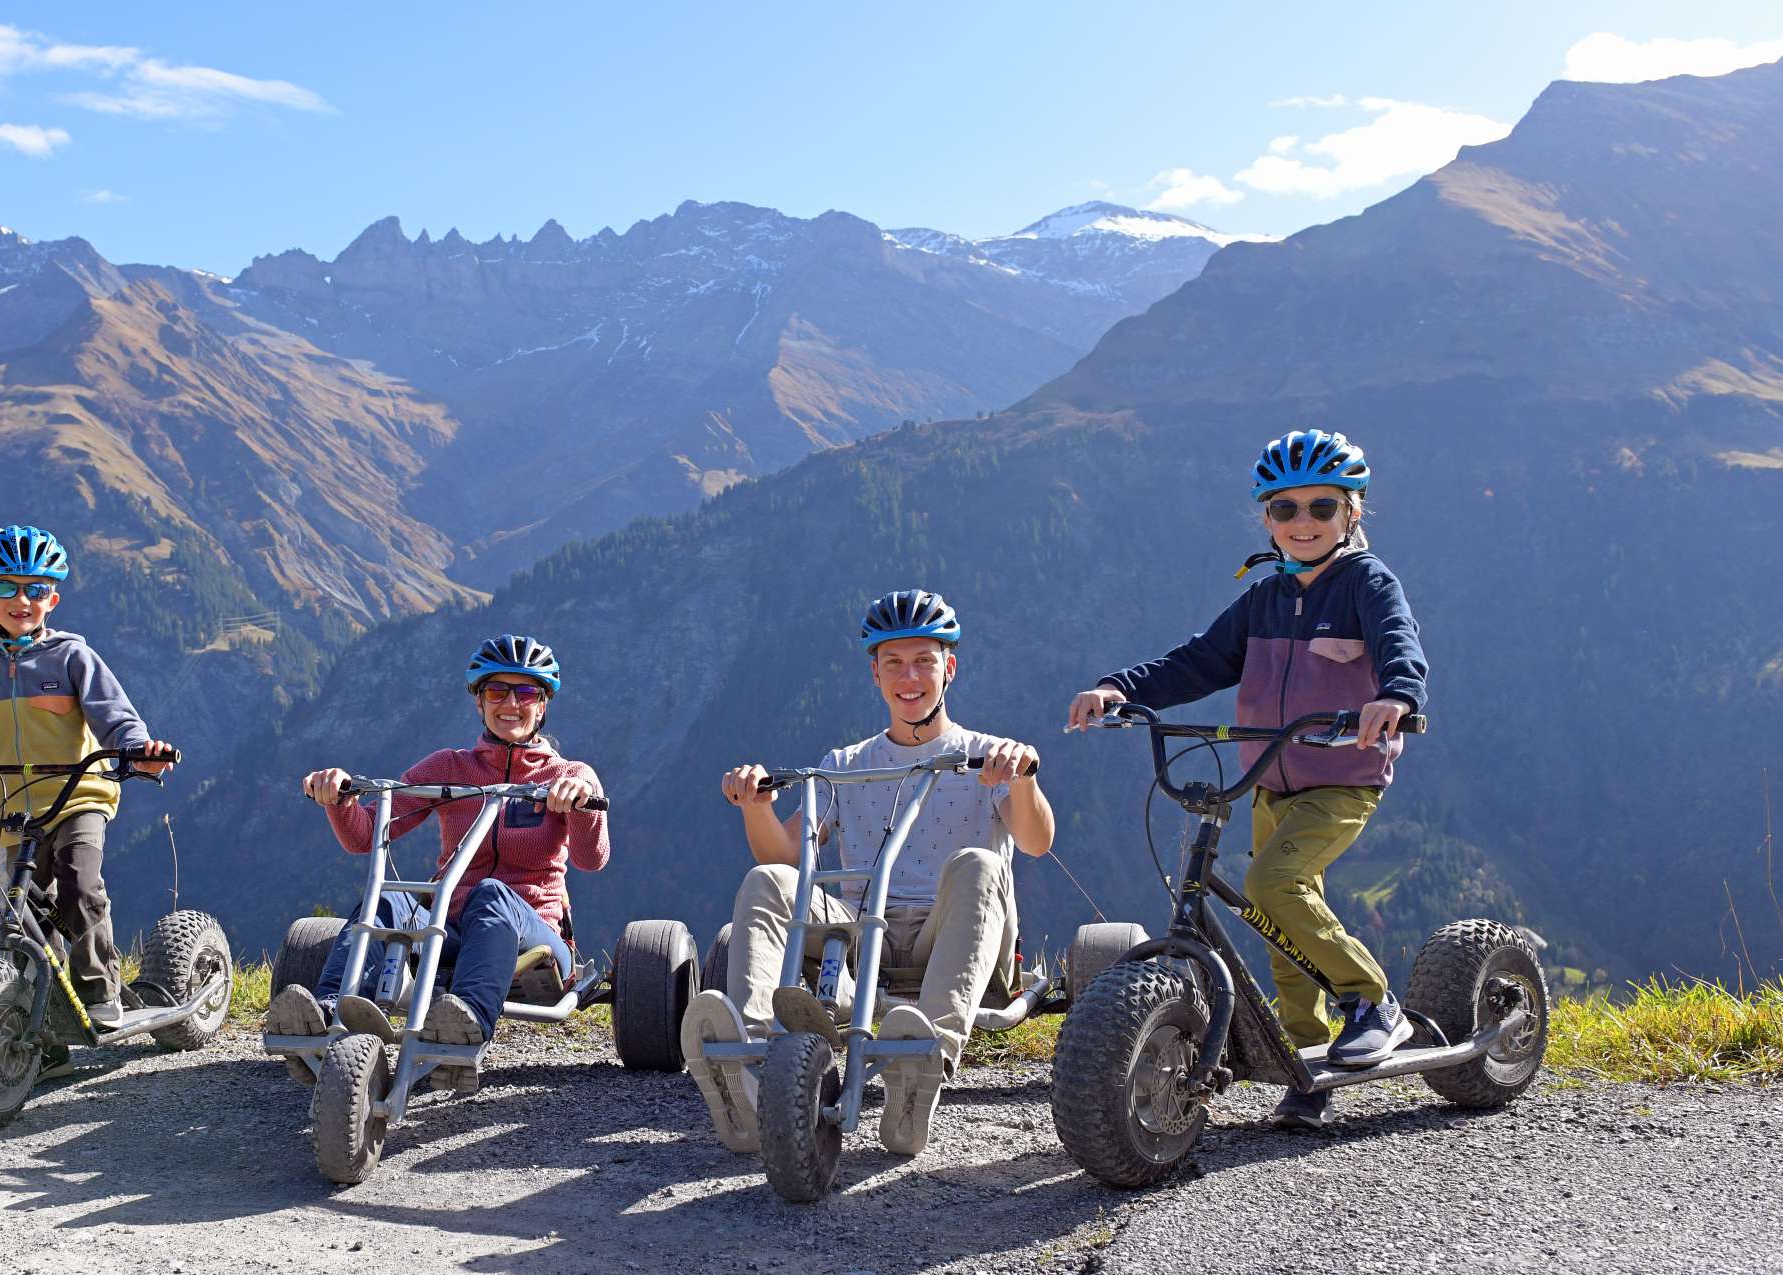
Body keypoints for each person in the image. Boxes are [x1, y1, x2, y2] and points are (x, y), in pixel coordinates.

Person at [1066, 428, 1428, 1129]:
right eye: (1285, 508)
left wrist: (1398, 697)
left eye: (1322, 507)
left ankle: (1371, 1000)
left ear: (1353, 512)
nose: (1303, 522)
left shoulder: (1367, 584)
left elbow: (1398, 647)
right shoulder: (1264, 600)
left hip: (1343, 777)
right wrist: (1120, 689)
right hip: (1269, 776)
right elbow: (1197, 662)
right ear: (1265, 518)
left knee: (1271, 887)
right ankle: (1308, 1062)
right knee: (1273, 918)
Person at [681, 589, 1051, 1157]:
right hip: (861, 938)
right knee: (767, 885)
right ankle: (752, 1068)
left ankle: (924, 1061)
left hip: (955, 936)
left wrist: (1022, 778)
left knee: (978, 863)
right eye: (895, 663)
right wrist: (755, 806)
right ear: (874, 673)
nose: (911, 677)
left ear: (948, 669)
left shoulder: (988, 754)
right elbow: (786, 857)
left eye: (924, 661)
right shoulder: (846, 765)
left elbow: (1035, 840)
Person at [264, 634, 609, 1086]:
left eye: (525, 692)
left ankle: (463, 1029)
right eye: (496, 691)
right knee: (390, 901)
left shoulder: (568, 776)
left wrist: (581, 807)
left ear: (542, 705)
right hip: (449, 929)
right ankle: (329, 1014)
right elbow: (367, 835)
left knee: (491, 894)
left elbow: (592, 859)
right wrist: (339, 799)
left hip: (535, 940)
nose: (511, 703)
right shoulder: (449, 767)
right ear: (479, 702)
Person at [0, 524, 178, 1042]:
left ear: (53, 598)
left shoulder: (73, 658)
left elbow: (117, 718)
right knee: (22, 911)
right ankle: (42, 1016)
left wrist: (141, 751)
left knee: (80, 884)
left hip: (79, 797)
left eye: (35, 589)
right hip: (12, 809)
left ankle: (99, 989)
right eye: (5, 587)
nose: (20, 600)